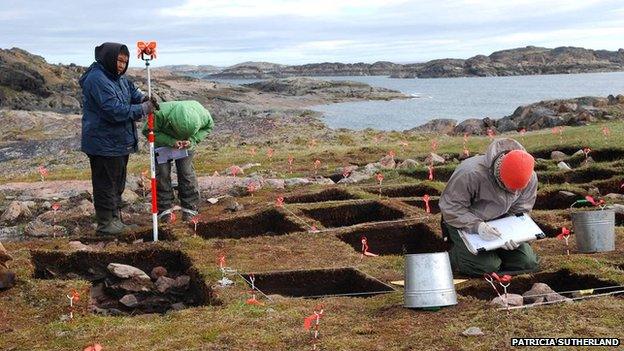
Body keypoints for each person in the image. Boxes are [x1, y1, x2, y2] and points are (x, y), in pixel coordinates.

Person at [79, 42, 158, 235]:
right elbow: (113, 111)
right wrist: (142, 109)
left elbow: (131, 92)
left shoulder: (118, 78)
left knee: (117, 183)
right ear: (108, 58)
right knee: (106, 184)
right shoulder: (97, 79)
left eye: (125, 61)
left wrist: (142, 99)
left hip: (117, 142)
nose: (122, 65)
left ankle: (115, 220)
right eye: (118, 61)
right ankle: (106, 224)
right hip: (103, 143)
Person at [439, 138, 540, 276]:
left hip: (501, 223)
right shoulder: (470, 173)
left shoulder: (530, 177)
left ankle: (494, 254)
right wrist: (478, 226)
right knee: (488, 266)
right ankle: (453, 256)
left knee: (527, 263)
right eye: (508, 187)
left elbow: (521, 209)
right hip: (462, 222)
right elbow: (451, 208)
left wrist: (515, 235)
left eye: (517, 189)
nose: (513, 193)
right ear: (499, 176)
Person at [142, 100, 214, 223]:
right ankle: (164, 209)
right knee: (162, 174)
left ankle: (190, 208)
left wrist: (192, 140)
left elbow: (208, 126)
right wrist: (170, 141)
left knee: (186, 172)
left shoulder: (202, 114)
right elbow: (147, 131)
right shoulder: (159, 114)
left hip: (187, 145)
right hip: (162, 145)